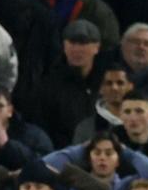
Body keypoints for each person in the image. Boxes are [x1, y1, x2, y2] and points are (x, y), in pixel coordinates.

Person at [36, 20, 103, 148]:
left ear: (97, 47)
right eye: (72, 43)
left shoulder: (107, 82)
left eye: (83, 43)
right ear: (64, 46)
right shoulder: (49, 85)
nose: (77, 49)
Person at [71, 64, 133, 145]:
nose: (114, 87)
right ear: (101, 89)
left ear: (130, 87)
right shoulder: (85, 128)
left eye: (120, 83)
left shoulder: (143, 122)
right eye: (109, 83)